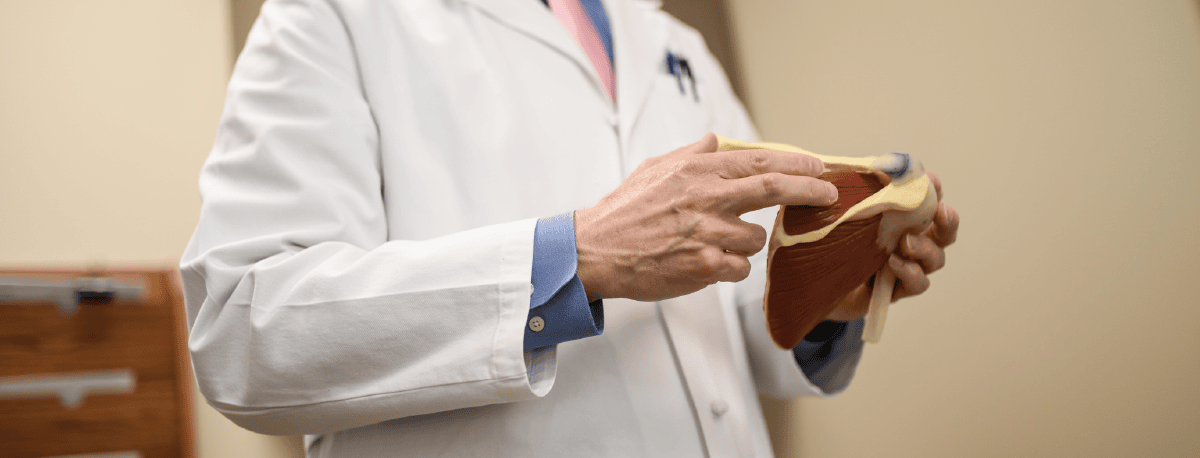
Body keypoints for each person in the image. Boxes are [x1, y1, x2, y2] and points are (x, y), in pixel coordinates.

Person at [180, 0, 959, 456]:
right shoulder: (334, 16)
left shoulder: (674, 45)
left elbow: (727, 327)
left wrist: (822, 291)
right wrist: (578, 259)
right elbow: (246, 329)